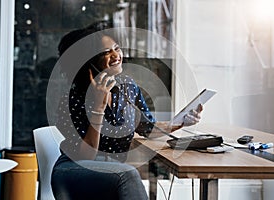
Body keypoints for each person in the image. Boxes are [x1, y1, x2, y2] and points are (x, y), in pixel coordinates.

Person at [51, 21, 202, 200]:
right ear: (90, 61)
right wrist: (99, 107)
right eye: (107, 52)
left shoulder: (127, 87)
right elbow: (86, 156)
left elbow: (148, 128)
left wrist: (181, 122)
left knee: (126, 173)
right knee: (128, 174)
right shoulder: (72, 101)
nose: (116, 55)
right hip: (74, 169)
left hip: (113, 171)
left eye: (117, 48)